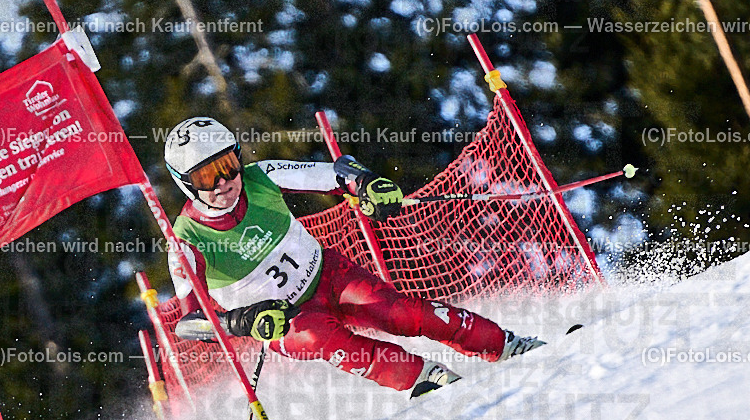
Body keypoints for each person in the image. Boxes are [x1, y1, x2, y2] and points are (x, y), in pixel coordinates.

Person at [163, 117, 542, 397]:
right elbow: (190, 323)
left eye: (227, 165)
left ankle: (505, 344)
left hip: (329, 274)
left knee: (400, 313)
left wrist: (367, 184)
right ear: (184, 182)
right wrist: (242, 322)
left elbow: (338, 172)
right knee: (322, 338)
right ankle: (431, 383)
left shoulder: (261, 176)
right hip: (287, 319)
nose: (223, 183)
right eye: (205, 177)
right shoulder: (186, 240)